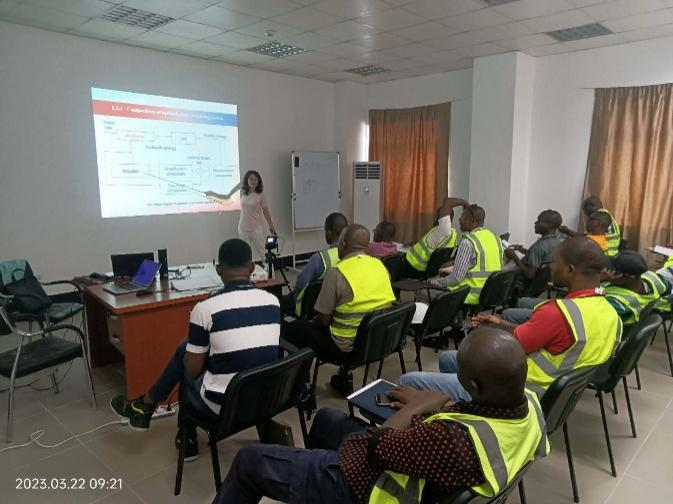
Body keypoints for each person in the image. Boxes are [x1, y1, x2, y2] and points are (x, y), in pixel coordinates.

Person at [213, 327, 549, 504]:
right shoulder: (531, 404)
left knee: (248, 461)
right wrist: (438, 406)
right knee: (328, 420)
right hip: (428, 473)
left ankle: (325, 485)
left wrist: (417, 405)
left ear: (473, 386)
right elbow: (473, 423)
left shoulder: (452, 442)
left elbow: (378, 445)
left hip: (369, 488)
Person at [110, 239, 281, 460]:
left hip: (227, 406)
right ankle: (146, 406)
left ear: (218, 269)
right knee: (188, 349)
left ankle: (183, 434)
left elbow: (192, 371)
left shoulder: (205, 308)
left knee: (187, 361)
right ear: (252, 267)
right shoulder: (273, 302)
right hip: (267, 398)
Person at [400, 237, 622, 400]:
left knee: (407, 382)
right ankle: (465, 410)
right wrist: (501, 323)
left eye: (556, 262)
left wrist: (484, 334)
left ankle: (479, 407)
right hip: (555, 393)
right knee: (449, 359)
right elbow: (540, 337)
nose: (552, 266)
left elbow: (508, 347)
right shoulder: (610, 313)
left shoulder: (558, 313)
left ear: (571, 269)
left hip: (520, 392)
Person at [283, 224, 396, 395]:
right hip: (376, 342)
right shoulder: (381, 266)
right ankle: (343, 377)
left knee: (293, 329)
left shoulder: (337, 273)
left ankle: (302, 390)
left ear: (342, 244)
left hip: (346, 349)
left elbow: (323, 321)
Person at [430, 204, 504, 305]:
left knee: (425, 292)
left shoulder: (468, 242)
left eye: (462, 216)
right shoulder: (496, 238)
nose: (459, 219)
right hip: (490, 294)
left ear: (471, 220)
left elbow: (456, 278)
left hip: (470, 295)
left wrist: (433, 283)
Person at [282, 212, 348, 317]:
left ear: (329, 232)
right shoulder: (354, 255)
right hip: (341, 305)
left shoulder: (320, 259)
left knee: (280, 301)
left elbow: (301, 284)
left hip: (314, 308)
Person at [208, 170, 277, 262]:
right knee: (245, 254)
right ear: (247, 180)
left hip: (256, 228)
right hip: (243, 228)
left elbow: (266, 210)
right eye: (251, 179)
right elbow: (227, 198)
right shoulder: (243, 192)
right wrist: (214, 197)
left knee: (263, 253)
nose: (253, 181)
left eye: (255, 179)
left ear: (258, 181)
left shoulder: (260, 194)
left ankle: (269, 270)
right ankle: (247, 270)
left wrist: (271, 225)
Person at [400, 197, 469, 279]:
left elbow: (447, 202)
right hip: (424, 270)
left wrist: (465, 203)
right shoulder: (452, 234)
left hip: (412, 266)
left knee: (391, 262)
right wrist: (414, 242)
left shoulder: (443, 230)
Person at [603, 250, 672, 325]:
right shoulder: (654, 278)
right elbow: (669, 289)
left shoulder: (618, 302)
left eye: (612, 270)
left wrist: (600, 280)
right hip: (652, 314)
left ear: (625, 276)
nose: (607, 272)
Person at [506, 209, 563, 287]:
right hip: (542, 285)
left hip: (521, 283)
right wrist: (523, 250)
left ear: (550, 225)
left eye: (539, 220)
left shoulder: (539, 247)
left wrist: (514, 256)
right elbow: (542, 257)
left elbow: (530, 274)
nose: (535, 223)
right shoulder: (557, 242)